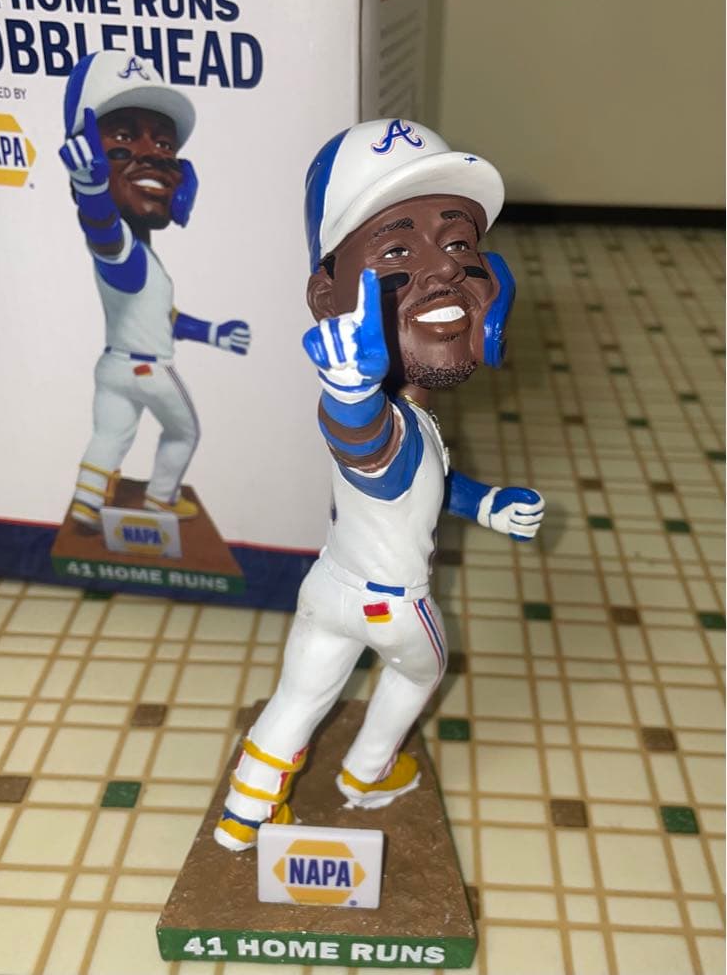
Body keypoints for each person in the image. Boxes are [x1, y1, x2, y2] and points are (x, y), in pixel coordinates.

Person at [214, 118, 544, 852]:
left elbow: (422, 484)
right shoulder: (379, 418)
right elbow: (363, 445)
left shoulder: (412, 419)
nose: (445, 271)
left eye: (458, 244)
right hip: (392, 604)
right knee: (421, 675)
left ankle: (244, 814)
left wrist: (487, 504)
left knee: (299, 698)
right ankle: (367, 772)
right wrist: (348, 392)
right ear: (327, 296)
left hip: (327, 588)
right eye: (396, 250)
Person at [58, 51, 250, 528]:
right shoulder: (123, 247)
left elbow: (163, 317)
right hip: (148, 368)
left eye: (166, 143)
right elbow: (103, 235)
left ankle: (85, 506)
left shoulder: (143, 255)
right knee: (184, 433)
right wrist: (92, 194)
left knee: (109, 436)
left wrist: (213, 333)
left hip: (112, 367)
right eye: (123, 138)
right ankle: (160, 499)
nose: (156, 154)